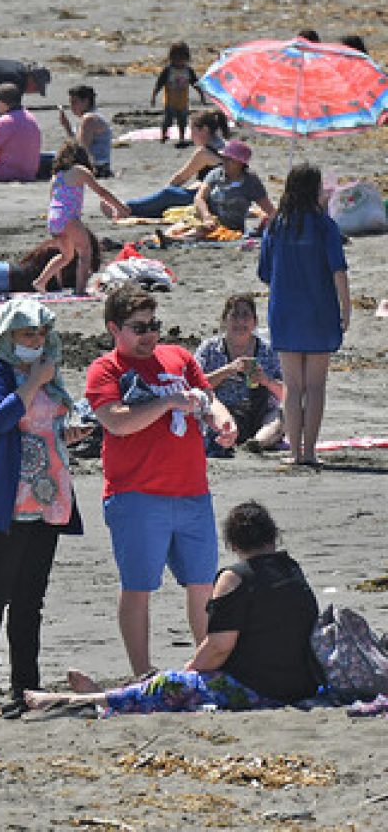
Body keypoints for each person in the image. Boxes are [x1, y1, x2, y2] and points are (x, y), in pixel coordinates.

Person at [26, 501, 320, 715]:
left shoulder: (235, 578)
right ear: (272, 535)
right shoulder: (291, 568)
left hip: (259, 688)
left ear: (232, 543)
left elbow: (219, 645)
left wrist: (190, 670)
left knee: (169, 685)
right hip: (300, 683)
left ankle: (74, 700)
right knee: (173, 684)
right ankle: (101, 696)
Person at [84, 283, 237, 677]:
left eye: (155, 325)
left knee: (203, 584)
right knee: (138, 586)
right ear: (114, 329)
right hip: (136, 494)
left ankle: (209, 667)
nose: (150, 335)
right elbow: (116, 422)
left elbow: (205, 396)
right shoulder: (107, 369)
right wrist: (167, 401)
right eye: (139, 327)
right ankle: (143, 671)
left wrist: (219, 417)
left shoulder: (178, 357)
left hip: (192, 492)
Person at [0, 300, 85, 713]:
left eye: (40, 333)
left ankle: (25, 685)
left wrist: (72, 430)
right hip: (4, 505)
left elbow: (52, 420)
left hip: (47, 502)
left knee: (30, 599)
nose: (36, 341)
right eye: (27, 334)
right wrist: (32, 382)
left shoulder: (47, 368)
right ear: (7, 335)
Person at [258, 163, 350, 468]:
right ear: (313, 189)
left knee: (293, 387)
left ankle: (294, 453)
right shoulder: (325, 225)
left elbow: (266, 273)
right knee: (315, 386)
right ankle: (309, 452)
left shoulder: (276, 225)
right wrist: (345, 309)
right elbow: (339, 271)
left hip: (284, 312)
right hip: (319, 312)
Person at [32, 141, 129, 293]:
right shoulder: (79, 170)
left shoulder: (56, 177)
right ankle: (80, 289)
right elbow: (101, 192)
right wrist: (120, 207)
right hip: (68, 217)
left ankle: (40, 281)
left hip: (53, 219)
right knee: (85, 252)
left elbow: (53, 200)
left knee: (66, 256)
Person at [195, 294, 285, 456]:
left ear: (255, 322)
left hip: (259, 411)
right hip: (223, 411)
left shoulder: (267, 351)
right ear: (224, 320)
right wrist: (228, 370)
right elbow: (194, 386)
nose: (240, 322)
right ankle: (227, 439)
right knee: (214, 410)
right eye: (234, 315)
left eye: (246, 315)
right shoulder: (210, 348)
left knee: (280, 415)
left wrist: (265, 380)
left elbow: (286, 393)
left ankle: (257, 443)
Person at [118, 109, 229, 219]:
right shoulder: (224, 145)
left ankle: (127, 207)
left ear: (204, 129)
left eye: (193, 131)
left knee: (168, 195)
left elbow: (181, 177)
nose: (191, 136)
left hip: (209, 200)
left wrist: (167, 191)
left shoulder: (204, 153)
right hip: (222, 197)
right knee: (171, 197)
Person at [192, 139, 275, 236]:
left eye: (228, 159)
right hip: (208, 223)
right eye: (223, 158)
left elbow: (268, 208)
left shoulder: (251, 182)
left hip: (232, 230)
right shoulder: (215, 174)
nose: (224, 162)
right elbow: (199, 198)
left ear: (240, 163)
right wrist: (206, 216)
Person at [151, 41, 205, 145]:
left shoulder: (188, 71)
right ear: (171, 58)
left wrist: (201, 95)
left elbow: (196, 84)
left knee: (182, 121)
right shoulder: (168, 71)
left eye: (182, 59)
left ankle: (182, 137)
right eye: (176, 59)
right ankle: (164, 134)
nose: (179, 62)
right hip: (170, 101)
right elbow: (159, 84)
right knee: (168, 120)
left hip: (183, 102)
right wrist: (154, 96)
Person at [60, 84, 113, 178]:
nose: (71, 107)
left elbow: (80, 149)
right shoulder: (93, 116)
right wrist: (67, 126)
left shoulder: (89, 119)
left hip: (95, 168)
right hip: (100, 167)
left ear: (86, 101)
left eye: (74, 102)